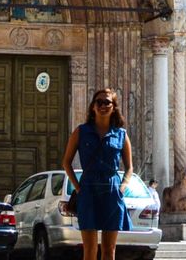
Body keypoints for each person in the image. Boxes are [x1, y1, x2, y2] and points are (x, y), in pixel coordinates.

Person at [62, 88, 133, 260]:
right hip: (88, 190)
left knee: (109, 249)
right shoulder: (81, 132)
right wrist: (78, 188)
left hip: (111, 190)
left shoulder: (121, 134)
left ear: (114, 107)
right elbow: (66, 162)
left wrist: (122, 187)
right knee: (90, 250)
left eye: (107, 102)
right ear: (93, 107)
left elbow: (129, 167)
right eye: (98, 102)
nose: (102, 105)